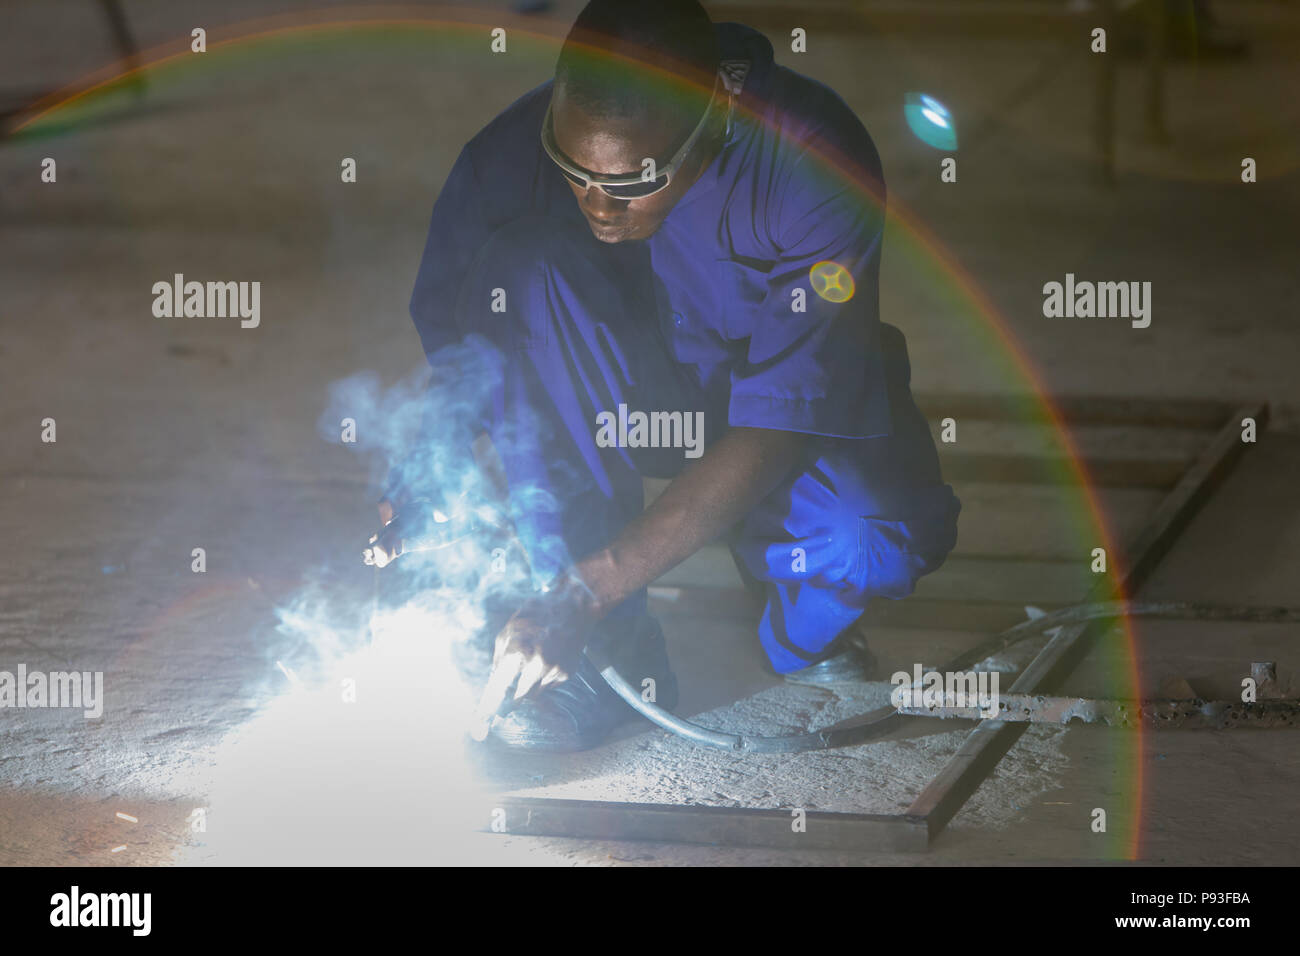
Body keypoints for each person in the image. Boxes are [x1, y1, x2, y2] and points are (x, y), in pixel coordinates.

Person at [383, 0, 960, 752]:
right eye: (574, 171)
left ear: (714, 114)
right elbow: (467, 367)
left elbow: (785, 419)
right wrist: (427, 487)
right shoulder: (502, 157)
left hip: (772, 417)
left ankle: (774, 585)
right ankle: (607, 660)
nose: (598, 202)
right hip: (615, 403)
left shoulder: (813, 157)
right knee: (519, 269)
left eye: (635, 180)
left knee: (868, 536)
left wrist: (587, 587)